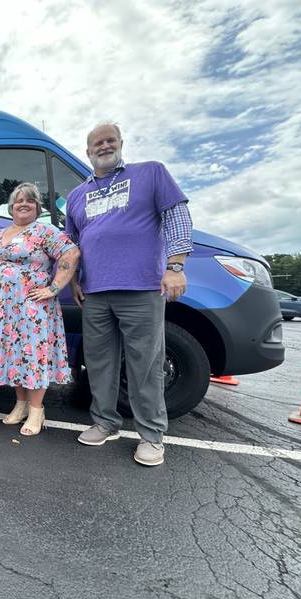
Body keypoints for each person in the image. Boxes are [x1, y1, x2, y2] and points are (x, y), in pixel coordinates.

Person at [66, 123, 192, 467]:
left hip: (141, 288)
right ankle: (105, 422)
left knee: (146, 364)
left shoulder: (150, 173)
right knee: (99, 362)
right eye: (97, 143)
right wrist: (74, 279)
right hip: (95, 293)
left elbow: (177, 215)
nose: (104, 146)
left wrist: (175, 267)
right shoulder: (77, 195)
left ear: (120, 144)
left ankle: (151, 435)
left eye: (110, 141)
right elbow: (73, 243)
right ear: (88, 151)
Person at [0, 182, 80, 436]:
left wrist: (53, 288)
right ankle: (20, 405)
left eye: (29, 200)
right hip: (3, 311)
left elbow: (71, 253)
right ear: (10, 207)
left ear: (37, 206)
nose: (23, 204)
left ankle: (36, 410)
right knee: (15, 354)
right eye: (18, 200)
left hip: (31, 308)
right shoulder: (0, 233)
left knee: (33, 356)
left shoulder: (44, 230)